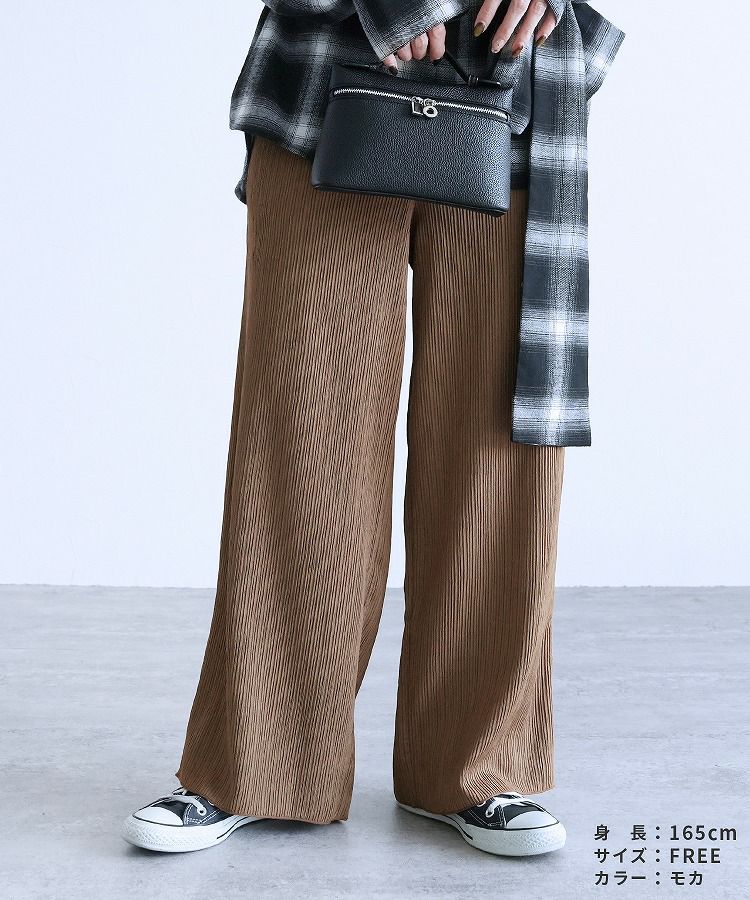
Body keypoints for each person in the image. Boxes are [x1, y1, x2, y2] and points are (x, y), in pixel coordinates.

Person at [122, 0, 624, 857]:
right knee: (304, 435)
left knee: (493, 452)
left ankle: (476, 767)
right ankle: (260, 766)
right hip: (329, 77)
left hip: (518, 87)